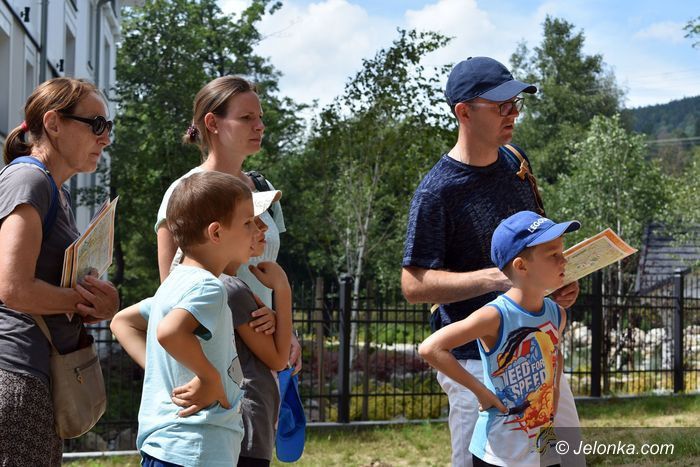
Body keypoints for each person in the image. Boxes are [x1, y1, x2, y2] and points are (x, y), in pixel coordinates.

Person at [401, 57, 583, 467]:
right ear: (463, 112)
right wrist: (494, 279)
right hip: (475, 362)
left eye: (515, 103)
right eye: (501, 106)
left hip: (540, 349)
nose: (513, 113)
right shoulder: (437, 192)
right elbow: (413, 285)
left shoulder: (516, 161)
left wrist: (555, 281)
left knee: (565, 458)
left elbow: (534, 244)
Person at [0, 77, 119, 465]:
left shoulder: (53, 189)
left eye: (108, 126)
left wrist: (94, 303)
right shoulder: (29, 179)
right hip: (16, 376)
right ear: (53, 123)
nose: (105, 138)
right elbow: (14, 289)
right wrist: (82, 303)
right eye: (96, 124)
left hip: (32, 376)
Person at [155, 76, 301, 374]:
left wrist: (286, 327)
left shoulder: (264, 189)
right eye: (246, 118)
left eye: (260, 117)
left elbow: (269, 269)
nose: (260, 126)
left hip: (268, 353)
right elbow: (172, 291)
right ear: (212, 123)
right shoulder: (185, 193)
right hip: (219, 357)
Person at [110, 171, 258, 466]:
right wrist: (209, 378)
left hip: (167, 446)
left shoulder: (174, 284)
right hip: (197, 446)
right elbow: (170, 332)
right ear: (216, 233)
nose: (257, 229)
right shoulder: (208, 287)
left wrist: (164, 369)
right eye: (248, 222)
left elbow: (122, 322)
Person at [419, 211, 580, 467]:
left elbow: (554, 351)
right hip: (499, 452)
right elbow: (431, 348)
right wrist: (481, 393)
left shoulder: (556, 313)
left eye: (562, 252)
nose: (564, 260)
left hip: (542, 444)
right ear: (521, 266)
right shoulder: (495, 315)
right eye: (553, 255)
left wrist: (556, 389)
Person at [173, 206, 293, 467]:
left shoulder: (216, 284)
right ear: (218, 233)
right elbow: (278, 359)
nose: (263, 228)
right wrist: (282, 288)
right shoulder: (230, 288)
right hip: (246, 422)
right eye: (250, 221)